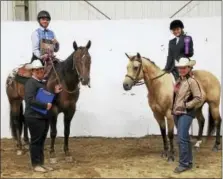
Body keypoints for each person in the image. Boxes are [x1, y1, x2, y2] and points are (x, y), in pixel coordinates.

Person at [24, 59, 62, 172]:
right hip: (34, 117)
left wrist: (55, 93)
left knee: (41, 141)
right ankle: (36, 165)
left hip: (42, 117)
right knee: (36, 141)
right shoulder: (30, 83)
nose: (41, 71)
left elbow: (47, 98)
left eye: (41, 69)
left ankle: (41, 163)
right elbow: (30, 100)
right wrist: (45, 105)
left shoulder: (41, 83)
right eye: (38, 69)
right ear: (33, 71)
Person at [172, 57, 202, 173]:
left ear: (189, 68)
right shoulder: (179, 81)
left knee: (182, 138)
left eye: (184, 68)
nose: (181, 70)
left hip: (186, 113)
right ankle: (188, 162)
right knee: (184, 139)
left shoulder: (192, 81)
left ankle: (183, 164)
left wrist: (186, 105)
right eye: (180, 68)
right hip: (176, 112)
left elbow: (198, 98)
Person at [31, 10, 60, 80]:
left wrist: (56, 44)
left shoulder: (52, 33)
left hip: (50, 59)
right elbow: (35, 50)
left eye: (47, 20)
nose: (45, 21)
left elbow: (56, 49)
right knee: (39, 77)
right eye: (43, 19)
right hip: (39, 59)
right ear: (39, 20)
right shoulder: (36, 33)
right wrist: (42, 56)